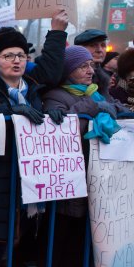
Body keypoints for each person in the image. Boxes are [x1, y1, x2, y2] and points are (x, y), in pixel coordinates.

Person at [0, 10, 69, 267]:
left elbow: (36, 125)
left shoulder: (33, 91)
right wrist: (11, 114)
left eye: (21, 55)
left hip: (25, 183)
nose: (16, 61)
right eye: (8, 56)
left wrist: (50, 118)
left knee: (13, 248)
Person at [41, 45, 128, 266]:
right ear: (68, 70)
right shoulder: (55, 96)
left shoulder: (96, 92)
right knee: (63, 239)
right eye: (82, 66)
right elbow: (59, 131)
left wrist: (107, 107)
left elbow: (117, 109)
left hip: (97, 180)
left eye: (91, 65)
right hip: (69, 183)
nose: (90, 70)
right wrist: (93, 107)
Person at [74, 29, 111, 96]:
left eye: (103, 45)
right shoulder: (73, 78)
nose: (99, 50)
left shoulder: (102, 79)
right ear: (79, 49)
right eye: (92, 45)